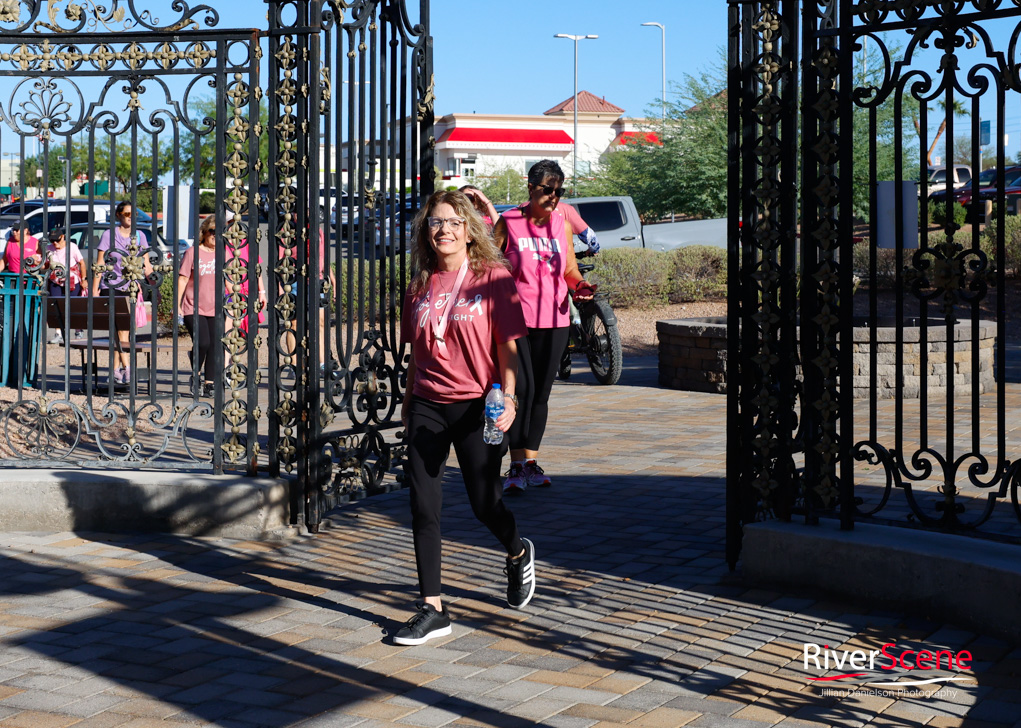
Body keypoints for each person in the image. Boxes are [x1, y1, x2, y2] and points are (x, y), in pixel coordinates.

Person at [395, 189, 536, 646]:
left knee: (483, 503)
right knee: (423, 505)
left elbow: (507, 346)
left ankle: (516, 552)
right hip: (428, 404)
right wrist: (409, 398)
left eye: (454, 222)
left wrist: (509, 396)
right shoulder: (418, 285)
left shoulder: (493, 278)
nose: (445, 230)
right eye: (436, 222)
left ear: (470, 230)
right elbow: (419, 349)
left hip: (479, 404)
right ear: (426, 231)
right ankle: (432, 608)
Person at [494, 160, 596, 493]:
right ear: (531, 187)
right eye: (547, 190)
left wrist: (580, 286)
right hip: (517, 320)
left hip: (555, 318)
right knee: (520, 391)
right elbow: (489, 267)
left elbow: (569, 269)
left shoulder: (561, 223)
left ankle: (531, 461)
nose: (553, 196)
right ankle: (514, 466)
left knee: (541, 393)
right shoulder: (508, 221)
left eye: (559, 191)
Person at [90, 201, 154, 385]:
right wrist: (94, 291)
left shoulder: (140, 236)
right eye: (126, 214)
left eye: (132, 214)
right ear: (118, 215)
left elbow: (146, 264)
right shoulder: (109, 235)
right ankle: (128, 369)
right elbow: (100, 264)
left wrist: (155, 283)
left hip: (132, 289)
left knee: (121, 332)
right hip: (112, 287)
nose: (130, 217)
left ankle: (115, 371)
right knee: (121, 331)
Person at [43, 227, 86, 344]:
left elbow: (82, 263)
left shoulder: (72, 247)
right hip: (55, 280)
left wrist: (84, 278)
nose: (55, 243)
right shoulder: (49, 249)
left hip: (72, 280)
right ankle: (59, 333)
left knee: (73, 305)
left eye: (57, 240)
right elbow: (46, 265)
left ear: (62, 237)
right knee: (56, 305)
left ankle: (78, 330)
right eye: (52, 241)